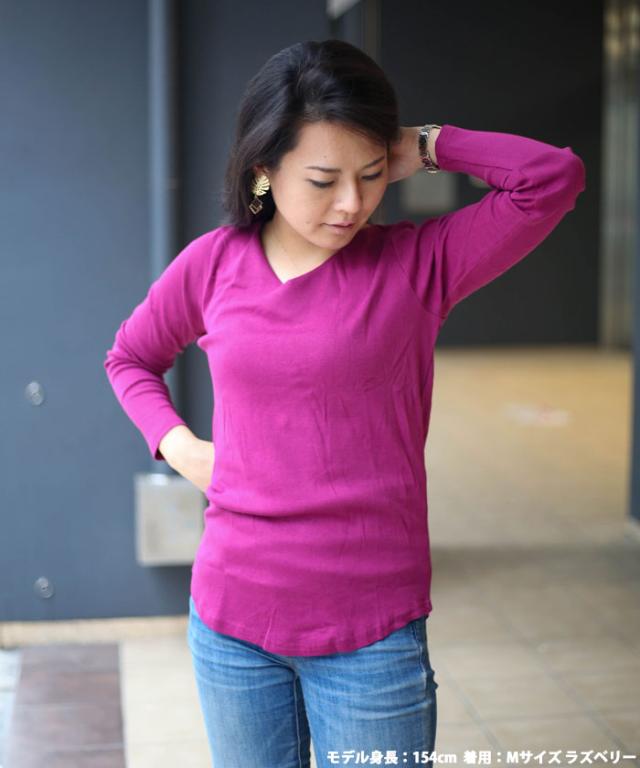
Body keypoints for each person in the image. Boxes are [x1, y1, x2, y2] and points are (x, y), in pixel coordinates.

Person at [104, 38, 586, 768]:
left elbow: (552, 178)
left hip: (372, 635)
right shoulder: (213, 264)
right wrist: (181, 448)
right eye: (323, 180)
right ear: (264, 169)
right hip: (233, 624)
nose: (352, 204)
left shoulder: (418, 264)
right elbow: (130, 358)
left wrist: (424, 145)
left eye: (371, 173)